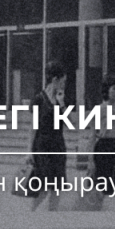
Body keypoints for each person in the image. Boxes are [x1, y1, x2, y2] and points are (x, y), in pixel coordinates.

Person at [27, 61, 68, 212]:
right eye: (63, 81)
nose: (64, 85)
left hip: (58, 145)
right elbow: (33, 127)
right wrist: (29, 151)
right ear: (55, 80)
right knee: (44, 186)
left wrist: (62, 104)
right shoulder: (39, 99)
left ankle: (53, 216)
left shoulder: (61, 99)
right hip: (42, 146)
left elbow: (71, 123)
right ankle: (30, 213)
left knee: (58, 186)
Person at [86, 75, 115, 212]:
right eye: (114, 89)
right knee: (101, 187)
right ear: (107, 90)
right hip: (103, 147)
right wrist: (90, 160)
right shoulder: (99, 109)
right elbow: (92, 135)